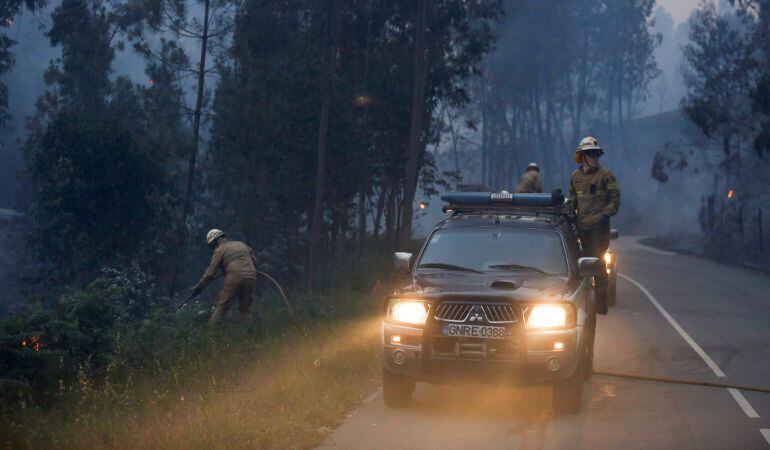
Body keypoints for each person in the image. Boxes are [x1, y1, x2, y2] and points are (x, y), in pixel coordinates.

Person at [568, 137, 620, 315]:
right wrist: (568, 213)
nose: (595, 157)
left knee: (597, 263)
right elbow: (573, 200)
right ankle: (578, 302)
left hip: (599, 226)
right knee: (580, 264)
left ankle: (600, 304)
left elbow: (615, 200)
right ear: (583, 156)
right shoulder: (575, 177)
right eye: (591, 154)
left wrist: (606, 214)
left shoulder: (606, 176)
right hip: (581, 226)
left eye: (597, 154)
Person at [191, 229, 258, 327]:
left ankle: (210, 331)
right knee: (245, 308)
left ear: (215, 241)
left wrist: (199, 286)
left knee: (222, 305)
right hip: (251, 275)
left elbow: (210, 273)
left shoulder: (219, 250)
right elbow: (254, 262)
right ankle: (250, 332)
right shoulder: (242, 245)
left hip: (234, 275)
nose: (213, 248)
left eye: (212, 246)